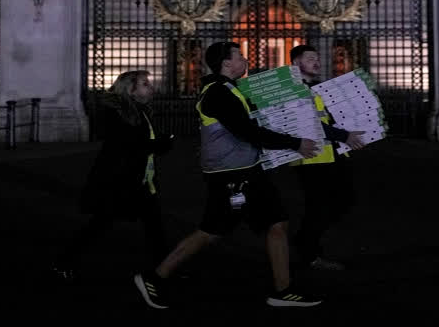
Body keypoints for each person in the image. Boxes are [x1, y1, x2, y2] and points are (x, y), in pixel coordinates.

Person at [133, 41, 324, 309]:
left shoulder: (228, 90)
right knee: (211, 231)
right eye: (240, 56)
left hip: (244, 171)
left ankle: (283, 289)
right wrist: (295, 144)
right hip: (232, 176)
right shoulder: (218, 94)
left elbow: (250, 126)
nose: (245, 61)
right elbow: (246, 131)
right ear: (226, 63)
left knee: (276, 223)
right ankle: (154, 277)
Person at [53, 70, 174, 282]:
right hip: (119, 182)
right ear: (131, 89)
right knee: (100, 225)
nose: (151, 88)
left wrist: (158, 143)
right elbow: (128, 144)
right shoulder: (117, 113)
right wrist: (160, 144)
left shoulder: (139, 110)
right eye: (145, 84)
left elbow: (139, 143)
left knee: (154, 228)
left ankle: (165, 269)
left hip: (139, 181)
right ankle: (63, 262)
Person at [288, 44, 366, 271]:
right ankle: (309, 251)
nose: (317, 61)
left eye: (317, 58)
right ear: (295, 63)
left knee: (342, 201)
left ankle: (306, 242)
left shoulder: (315, 87)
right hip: (311, 158)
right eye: (310, 58)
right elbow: (309, 123)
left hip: (331, 153)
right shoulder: (294, 90)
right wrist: (345, 135)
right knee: (320, 206)